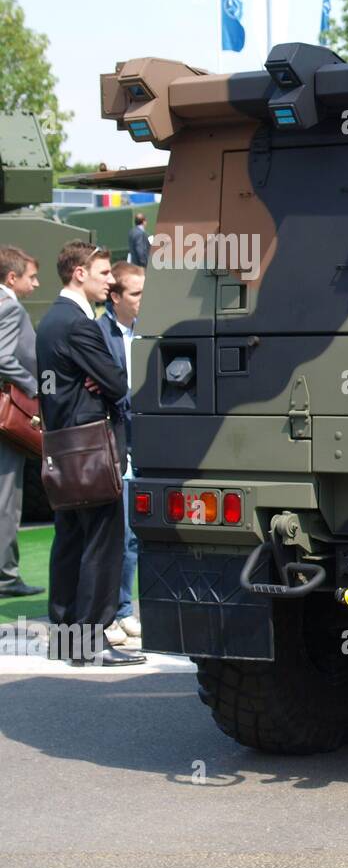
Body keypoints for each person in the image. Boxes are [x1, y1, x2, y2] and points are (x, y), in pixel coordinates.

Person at [36, 242, 143, 666]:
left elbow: (51, 387)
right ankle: (92, 641)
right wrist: (97, 381)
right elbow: (117, 383)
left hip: (65, 449)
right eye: (102, 274)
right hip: (92, 449)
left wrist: (89, 381)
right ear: (79, 273)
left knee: (69, 542)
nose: (109, 281)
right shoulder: (79, 325)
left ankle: (67, 639)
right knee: (102, 544)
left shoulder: (50, 321)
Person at [99, 263, 144, 645]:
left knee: (136, 536)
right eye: (136, 294)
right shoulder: (100, 334)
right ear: (115, 297)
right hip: (116, 444)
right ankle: (115, 610)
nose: (144, 301)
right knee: (120, 534)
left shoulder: (150, 330)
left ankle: (125, 608)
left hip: (147, 443)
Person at [0, 247, 45, 598]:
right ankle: (6, 578)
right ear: (12, 278)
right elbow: (3, 358)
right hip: (7, 417)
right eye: (31, 277)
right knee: (6, 499)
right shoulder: (11, 307)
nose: (37, 283)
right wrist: (34, 389)